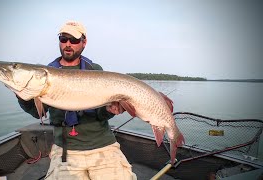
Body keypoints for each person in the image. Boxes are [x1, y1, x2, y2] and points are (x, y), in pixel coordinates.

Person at [17, 21, 173, 180]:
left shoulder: (94, 69)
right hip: (66, 149)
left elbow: (102, 112)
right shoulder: (47, 73)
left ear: (83, 43)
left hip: (103, 145)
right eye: (63, 39)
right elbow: (37, 113)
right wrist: (20, 91)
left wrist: (111, 110)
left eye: (74, 40)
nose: (68, 44)